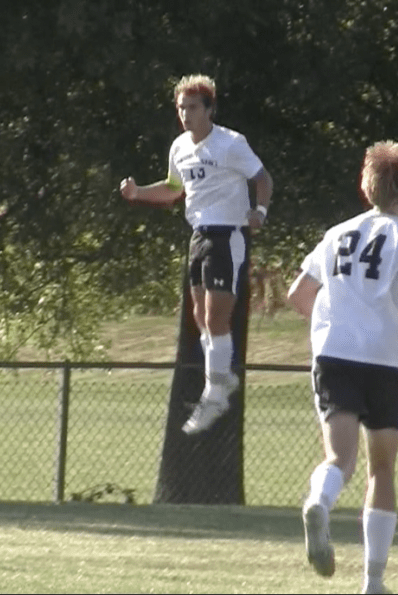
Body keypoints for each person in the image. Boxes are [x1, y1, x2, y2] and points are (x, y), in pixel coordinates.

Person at [286, 141, 398, 594]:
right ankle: (373, 582)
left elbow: (298, 295)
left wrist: (334, 319)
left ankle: (319, 501)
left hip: (334, 354)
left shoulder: (336, 234)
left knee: (340, 458)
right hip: (382, 359)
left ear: (365, 184)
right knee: (382, 470)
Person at [120, 74, 273, 435]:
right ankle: (223, 377)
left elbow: (263, 178)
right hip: (199, 236)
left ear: (209, 110)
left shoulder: (231, 143)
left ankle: (215, 393)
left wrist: (260, 212)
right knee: (200, 317)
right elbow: (174, 189)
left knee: (215, 316)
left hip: (227, 235)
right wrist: (138, 192)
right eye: (180, 108)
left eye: (192, 107)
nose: (185, 114)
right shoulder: (179, 148)